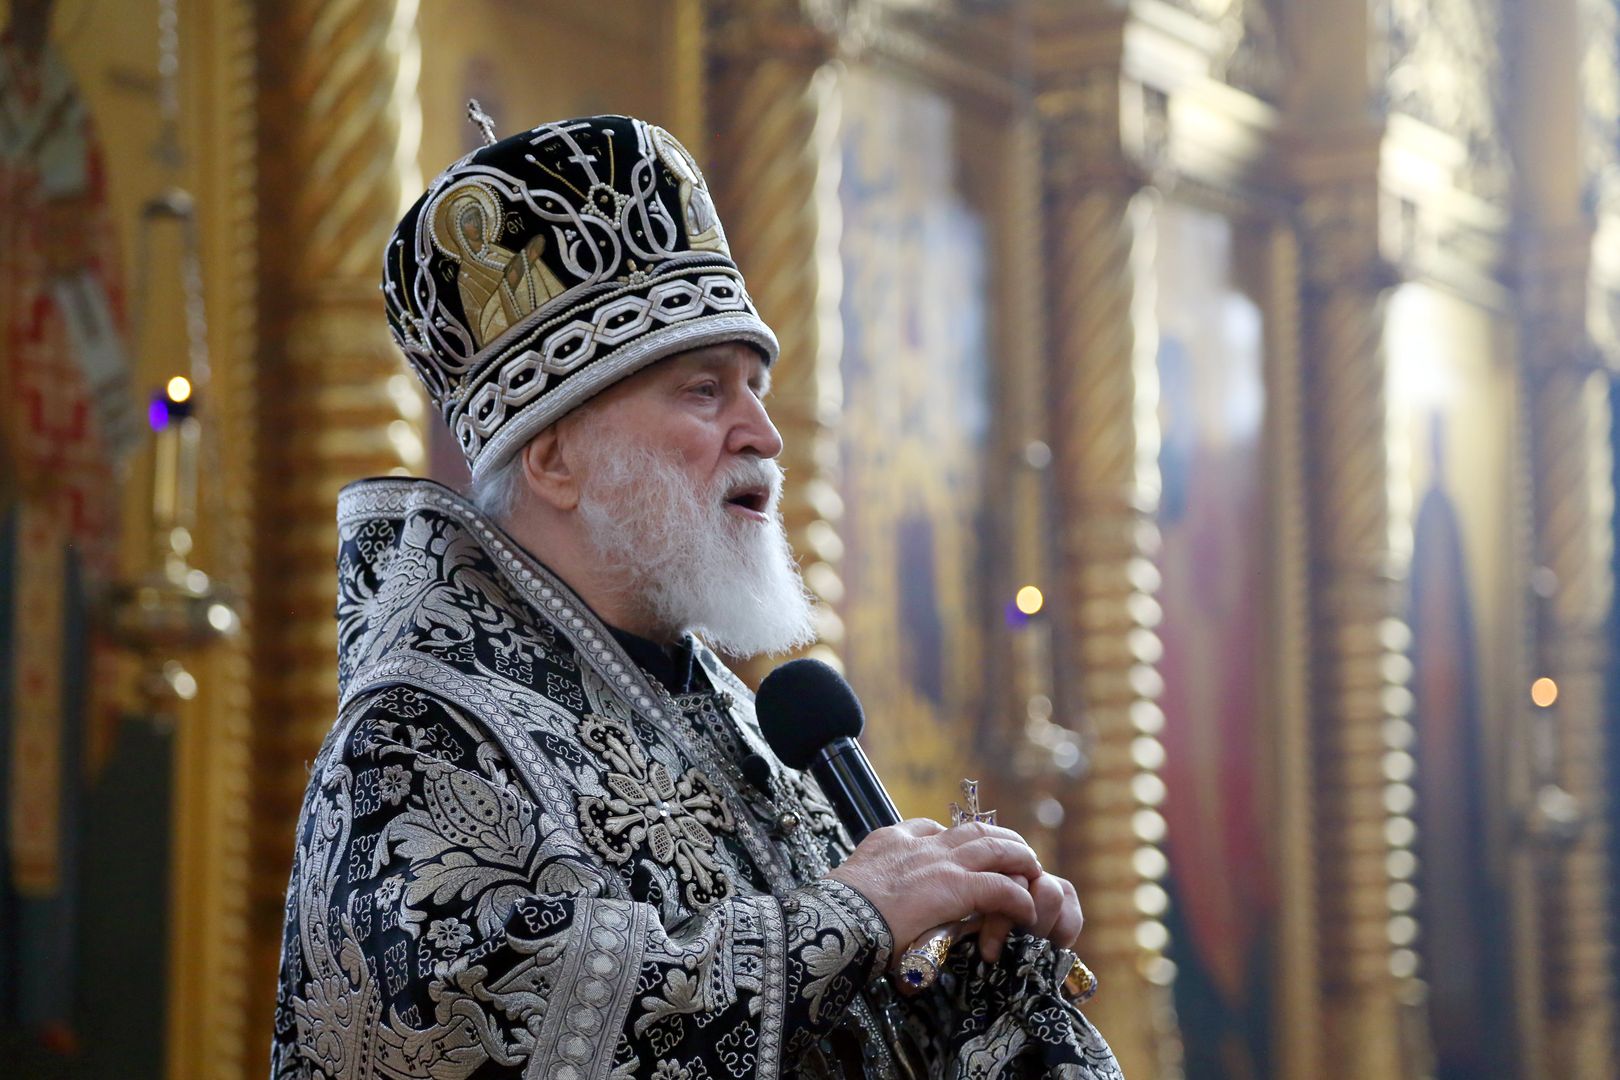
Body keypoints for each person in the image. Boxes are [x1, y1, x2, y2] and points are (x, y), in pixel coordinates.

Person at [272, 113, 1121, 1079]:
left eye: (756, 385)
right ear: (554, 459)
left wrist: (986, 971)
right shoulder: (417, 731)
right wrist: (852, 919)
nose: (764, 432)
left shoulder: (738, 719)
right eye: (704, 390)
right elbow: (487, 1015)